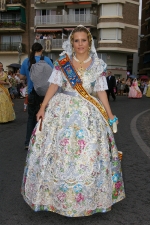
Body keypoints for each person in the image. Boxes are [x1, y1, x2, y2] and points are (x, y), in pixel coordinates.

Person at [21, 25, 125, 217]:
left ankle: (90, 197)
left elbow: (101, 91)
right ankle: (54, 196)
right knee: (58, 152)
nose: (79, 44)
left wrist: (110, 116)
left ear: (89, 42)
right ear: (72, 43)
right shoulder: (63, 62)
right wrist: (43, 107)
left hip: (88, 112)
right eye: (76, 41)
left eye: (83, 40)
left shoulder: (98, 65)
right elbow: (54, 85)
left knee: (89, 152)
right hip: (62, 109)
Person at [20, 43, 54, 150]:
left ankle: (28, 141)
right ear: (42, 50)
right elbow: (54, 75)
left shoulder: (26, 61)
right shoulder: (47, 60)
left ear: (32, 50)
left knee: (31, 118)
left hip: (32, 92)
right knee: (45, 117)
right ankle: (43, 141)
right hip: (45, 94)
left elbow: (21, 76)